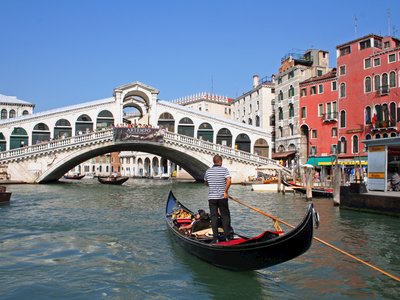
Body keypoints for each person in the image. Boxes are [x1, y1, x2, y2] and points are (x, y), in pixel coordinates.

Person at [204, 154, 233, 243]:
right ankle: (227, 237)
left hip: (212, 198)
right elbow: (229, 180)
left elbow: (205, 183)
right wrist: (225, 191)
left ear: (214, 162)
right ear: (220, 161)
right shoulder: (224, 170)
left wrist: (212, 185)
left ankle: (215, 238)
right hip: (222, 197)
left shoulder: (208, 171)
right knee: (225, 216)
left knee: (214, 217)